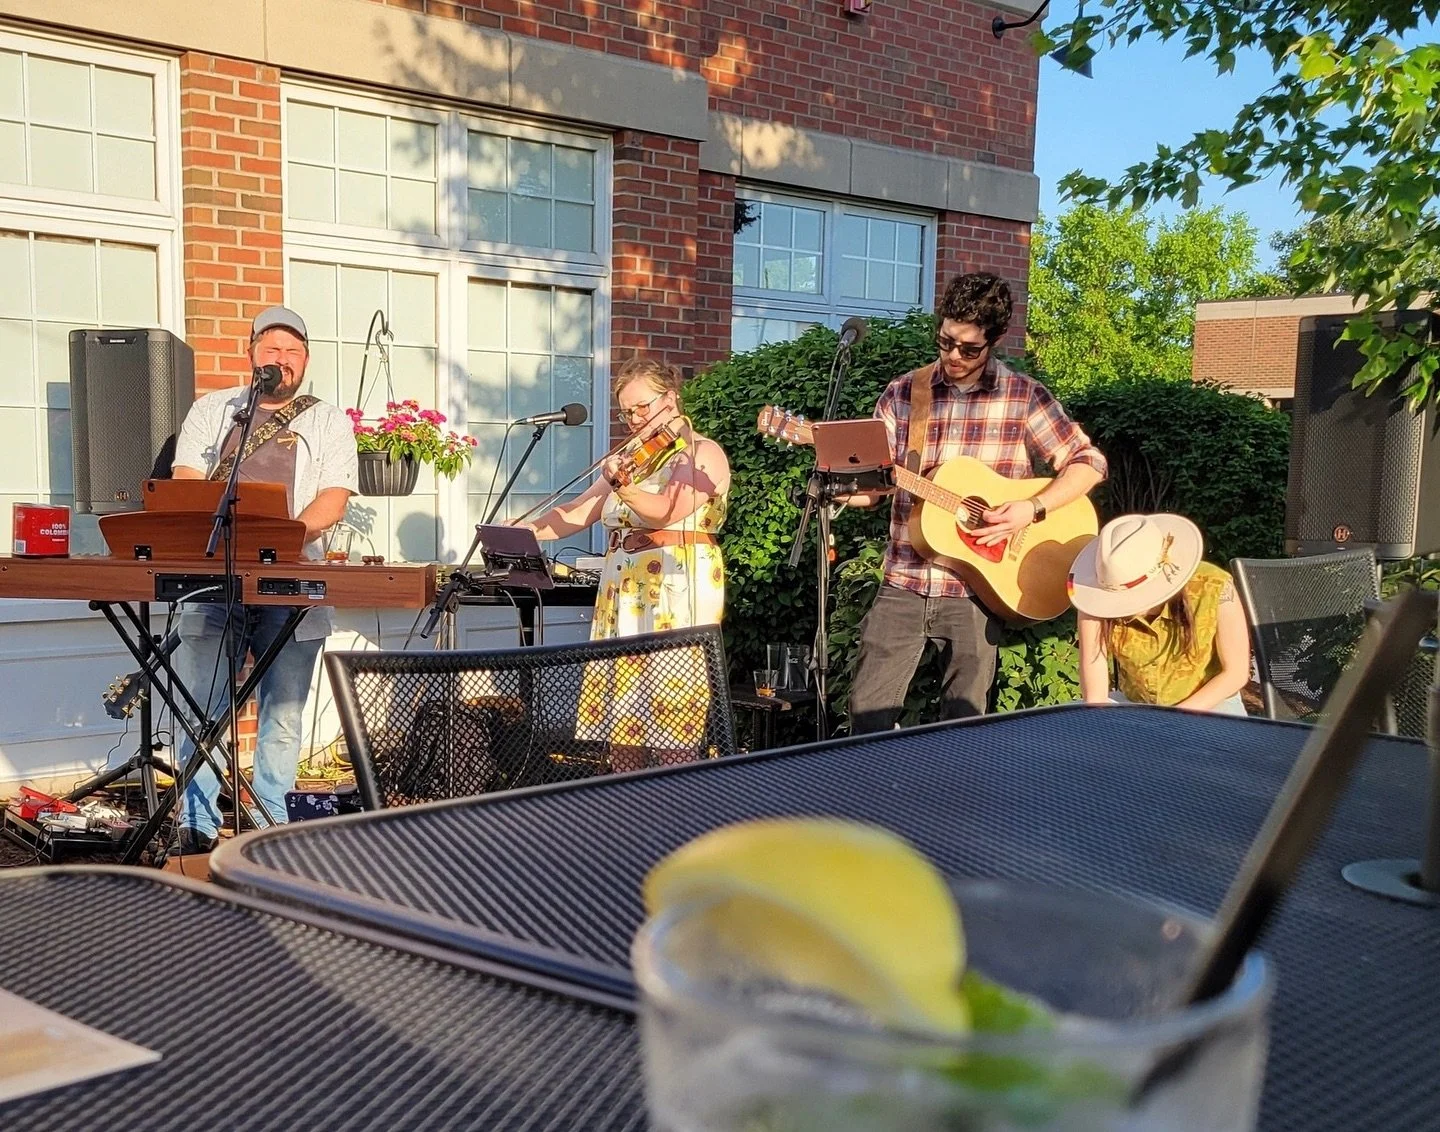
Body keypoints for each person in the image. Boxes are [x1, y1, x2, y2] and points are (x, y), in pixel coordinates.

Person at [845, 272, 1108, 732]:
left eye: (969, 349)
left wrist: (1032, 508)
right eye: (946, 342)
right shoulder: (905, 393)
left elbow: (1089, 463)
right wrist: (843, 492)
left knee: (967, 731)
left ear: (994, 341)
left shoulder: (1023, 396)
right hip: (904, 578)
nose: (953, 356)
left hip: (978, 592)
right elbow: (874, 485)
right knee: (867, 721)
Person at [168, 305, 359, 852]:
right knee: (199, 704)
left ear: (306, 362)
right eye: (272, 350)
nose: (282, 360)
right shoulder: (213, 410)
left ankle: (270, 819)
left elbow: (334, 499)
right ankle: (198, 824)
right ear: (250, 353)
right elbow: (186, 480)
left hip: (293, 578)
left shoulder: (327, 420)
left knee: (283, 709)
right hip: (211, 578)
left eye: (293, 352)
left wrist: (284, 539)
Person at [521, 356, 730, 767]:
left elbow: (667, 510)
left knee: (671, 719)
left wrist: (626, 489)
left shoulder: (702, 453)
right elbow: (579, 511)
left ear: (670, 398)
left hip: (675, 586)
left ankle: (677, 818)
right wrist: (523, 529)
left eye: (642, 407)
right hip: (625, 587)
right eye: (626, 412)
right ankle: (626, 818)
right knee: (623, 724)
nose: (633, 419)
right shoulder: (635, 457)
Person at [1068, 513, 1252, 715]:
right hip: (1136, 704)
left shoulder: (1213, 586)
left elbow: (1235, 673)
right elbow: (1095, 693)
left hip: (1212, 702)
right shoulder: (1095, 599)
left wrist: (1173, 720)